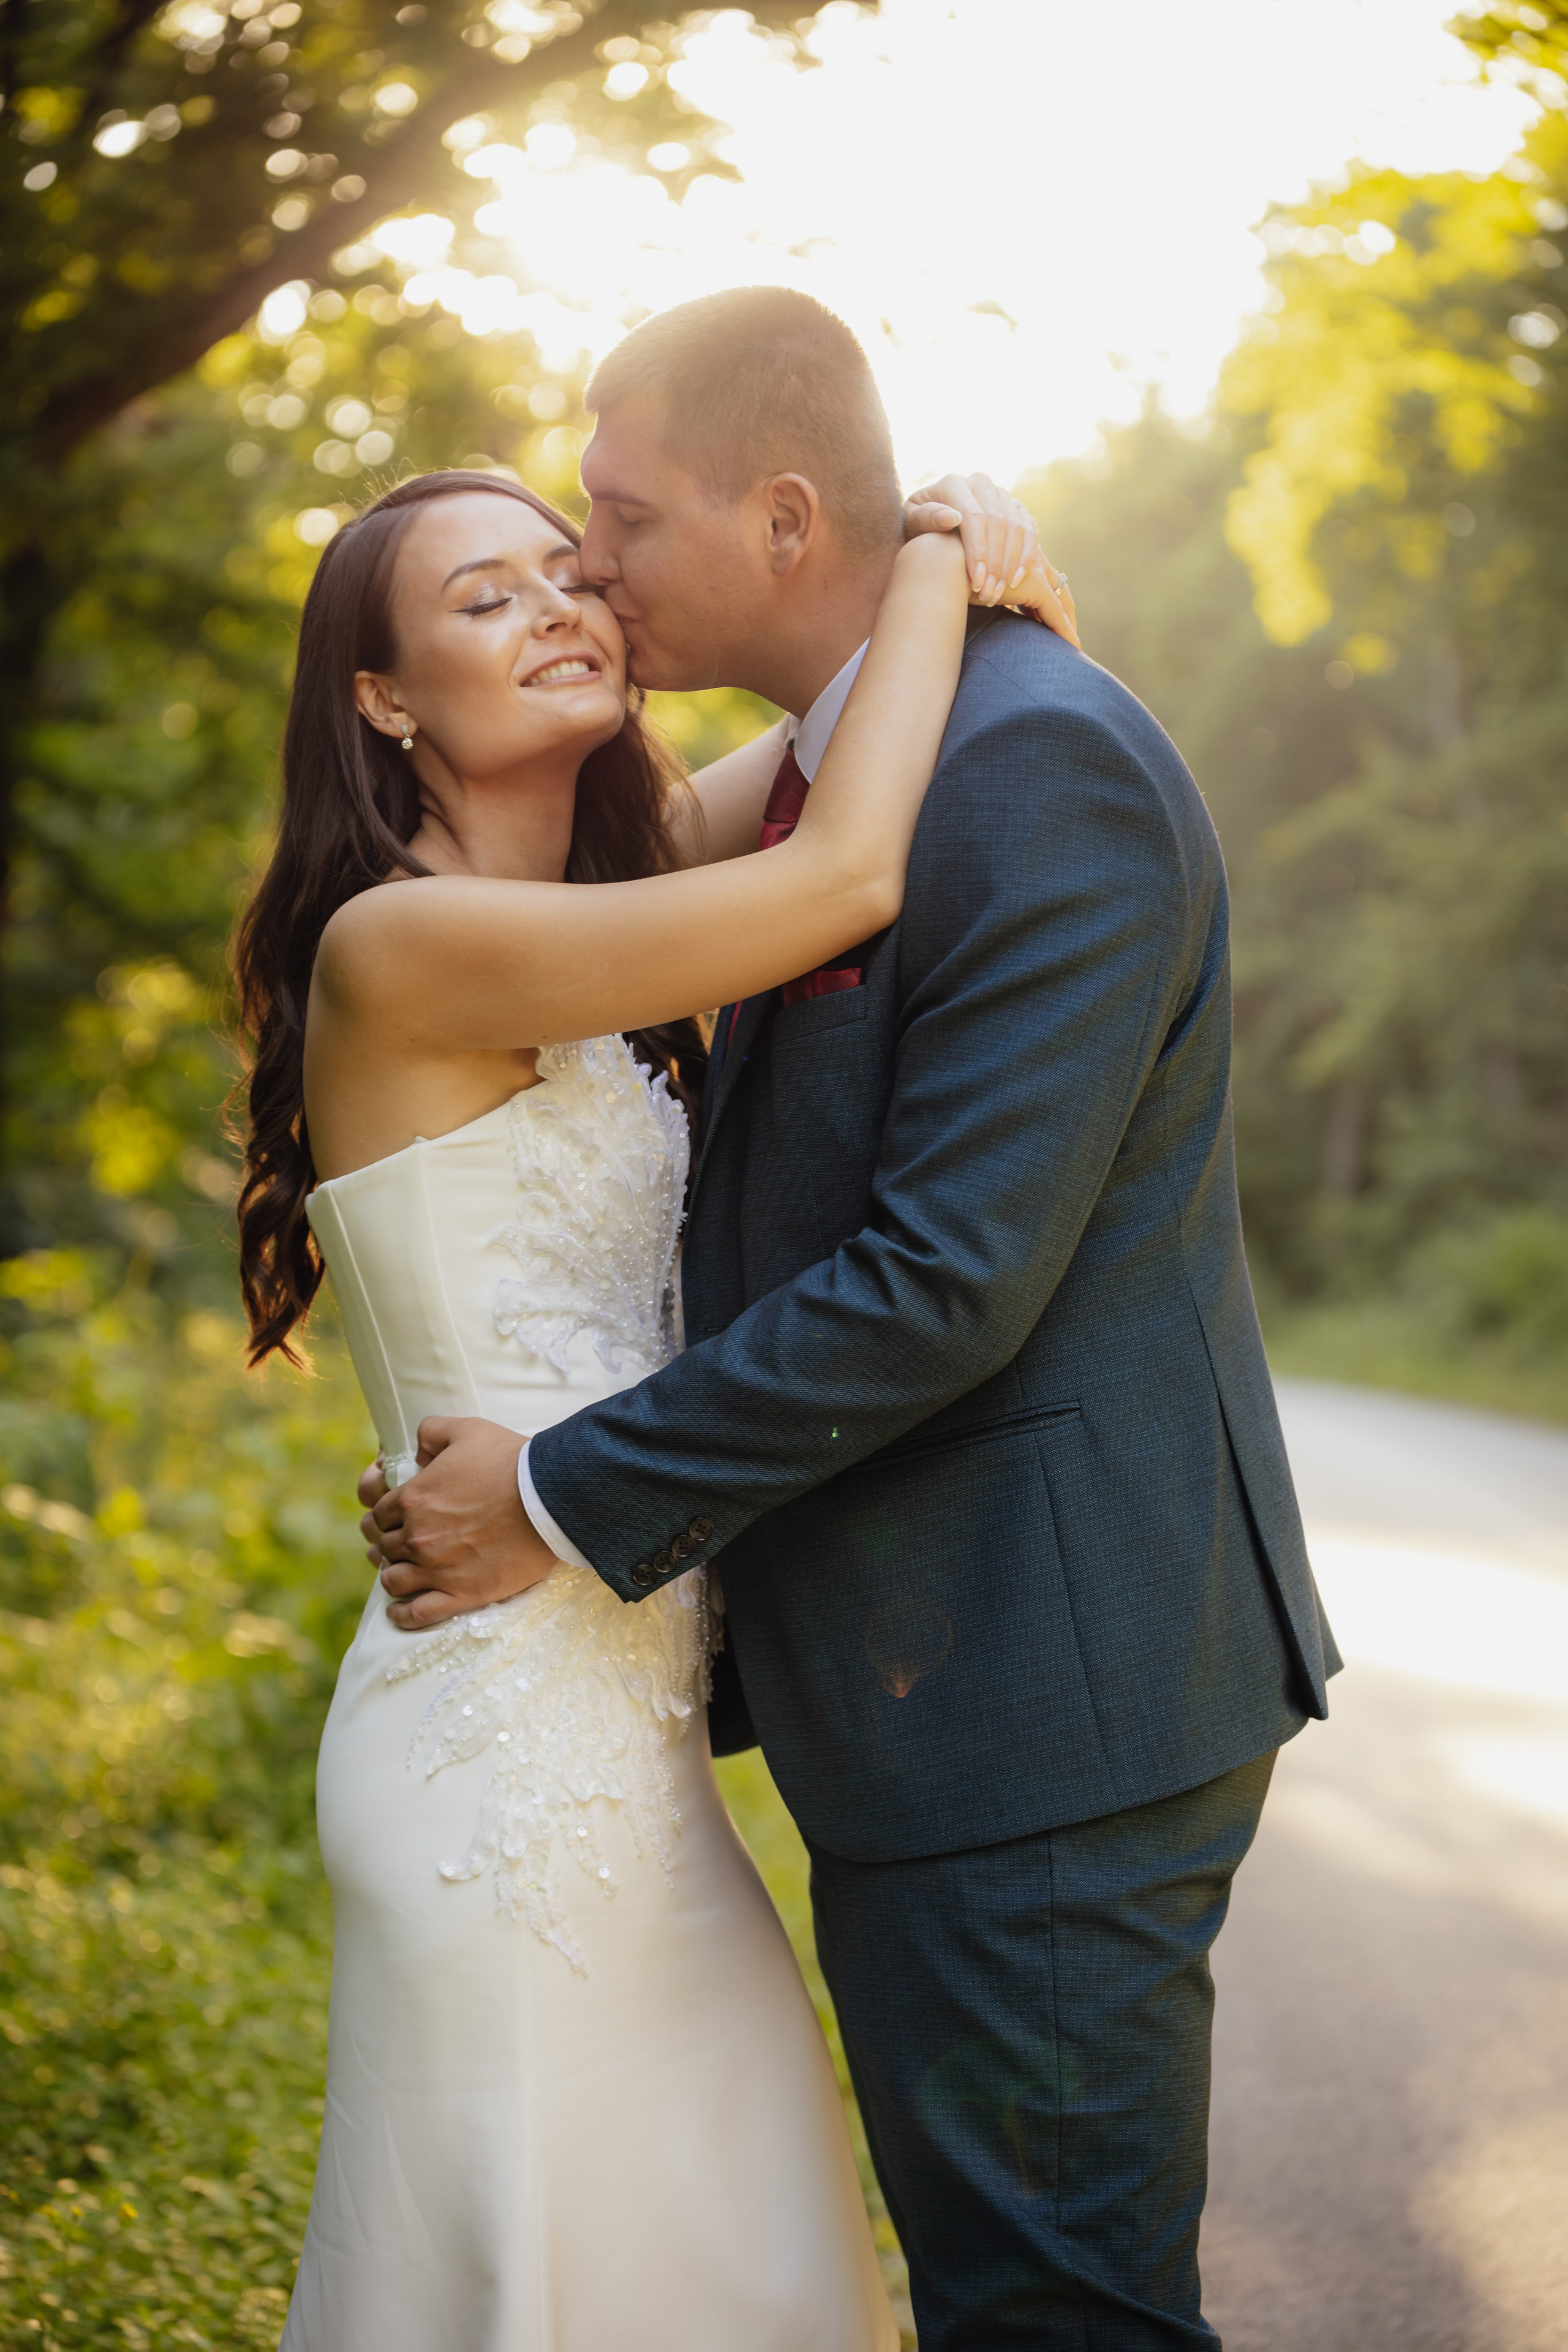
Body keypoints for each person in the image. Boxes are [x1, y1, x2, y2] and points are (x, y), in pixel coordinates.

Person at [362, 287, 1343, 2350]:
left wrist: (553, 1491)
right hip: (903, 1703)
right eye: (528, 567)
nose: (589, 573)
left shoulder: (1028, 767)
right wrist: (937, 547)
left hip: (1036, 1702)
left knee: (1053, 2312)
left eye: (611, 521)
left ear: (784, 519)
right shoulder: (809, 793)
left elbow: (946, 1280)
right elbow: (795, 887)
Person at [235, 432, 1068, 2349]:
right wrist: (938, 550)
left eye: (562, 566)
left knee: (719, 2266)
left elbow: (843, 730)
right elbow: (852, 861)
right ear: (381, 700)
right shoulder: (410, 945)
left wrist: (958, 529)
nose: (553, 604)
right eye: (480, 597)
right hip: (502, 1754)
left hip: (625, 1730)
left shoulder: (608, 888)